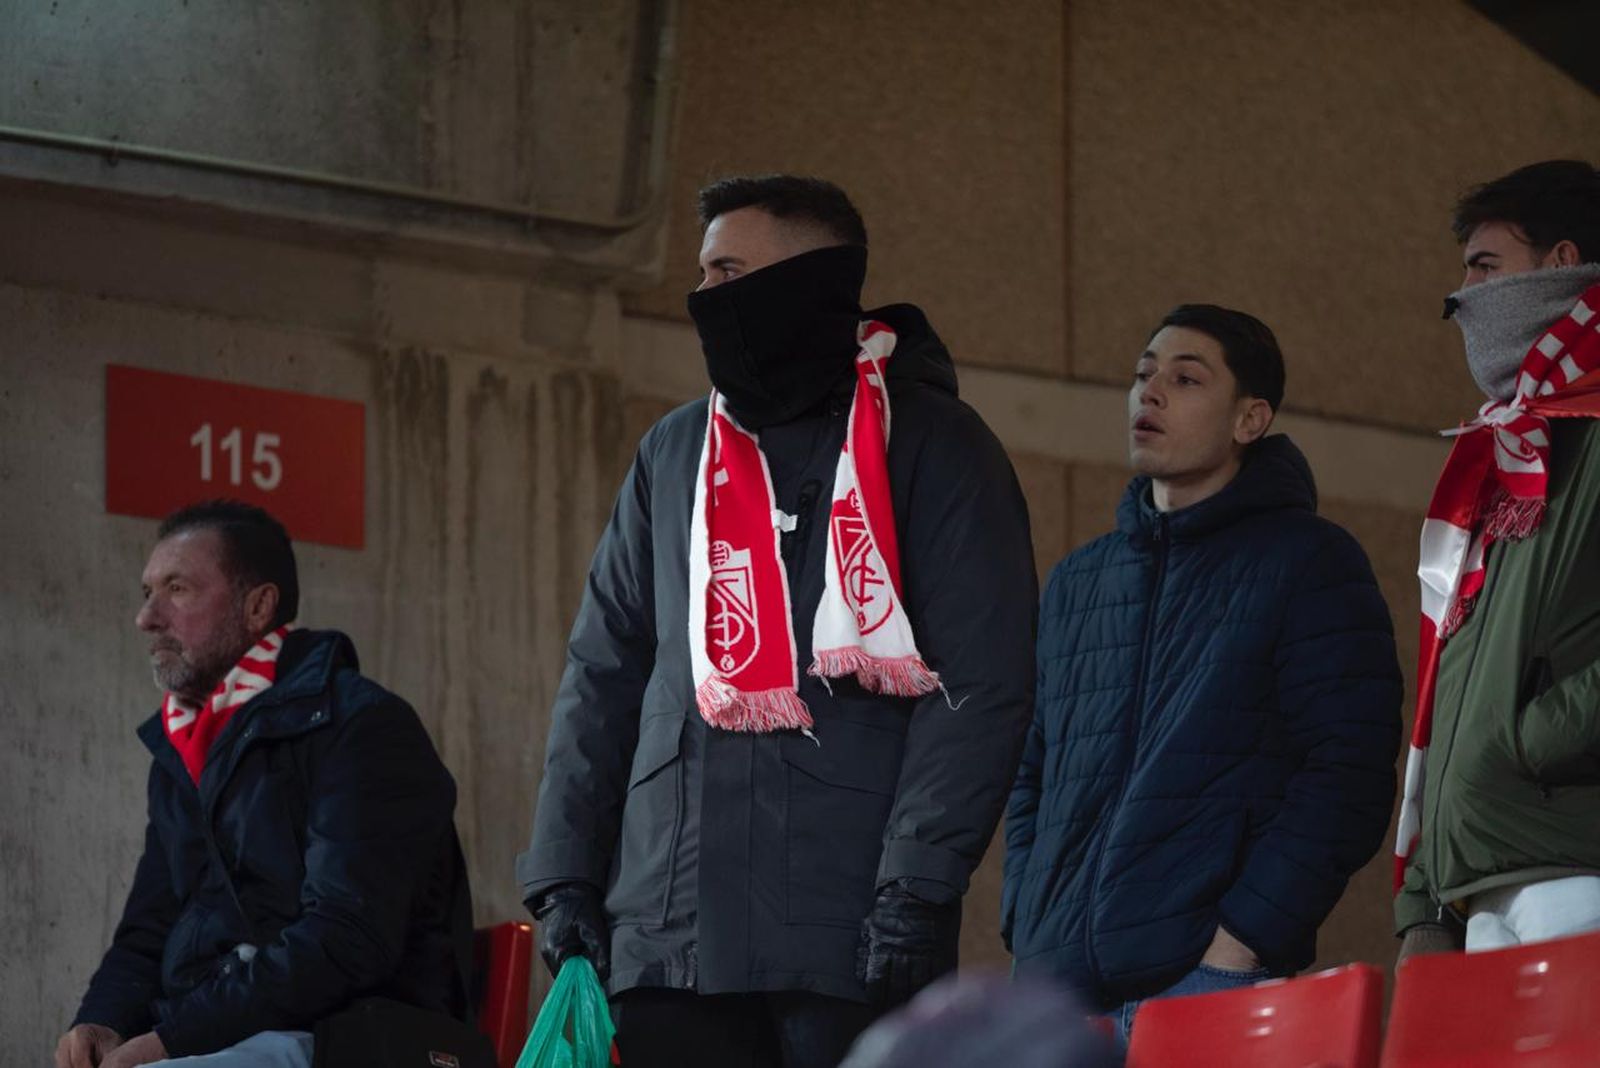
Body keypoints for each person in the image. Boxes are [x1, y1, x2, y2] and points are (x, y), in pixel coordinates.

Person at [518, 174, 1037, 1067]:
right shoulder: (676, 450)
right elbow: (604, 670)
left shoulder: (935, 444)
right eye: (702, 275)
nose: (704, 300)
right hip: (666, 932)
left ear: (809, 283)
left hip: (845, 931)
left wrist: (917, 884)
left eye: (728, 273)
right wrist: (566, 878)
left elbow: (981, 682)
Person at [1004, 304, 1401, 1039]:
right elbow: (1035, 770)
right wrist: (1026, 919)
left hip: (1204, 980)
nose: (1149, 393)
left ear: (1249, 420)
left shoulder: (1307, 561)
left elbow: (1350, 770)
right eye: (1142, 374)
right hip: (1056, 999)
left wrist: (1241, 942)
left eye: (1185, 379)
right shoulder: (1078, 581)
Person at [56, 502, 472, 1068]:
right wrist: (101, 1021)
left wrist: (172, 1039)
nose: (146, 617)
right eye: (146, 591)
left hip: (347, 1037)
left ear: (258, 606)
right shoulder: (179, 753)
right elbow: (148, 931)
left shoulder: (360, 724)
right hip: (223, 1034)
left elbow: (346, 936)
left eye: (176, 588)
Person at [1395, 160, 1600, 958]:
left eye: (1485, 268)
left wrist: (1529, 743)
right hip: (1479, 886)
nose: (1461, 301)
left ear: (1562, 264)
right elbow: (1444, 696)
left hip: (1574, 864)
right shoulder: (1508, 451)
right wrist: (1422, 903)